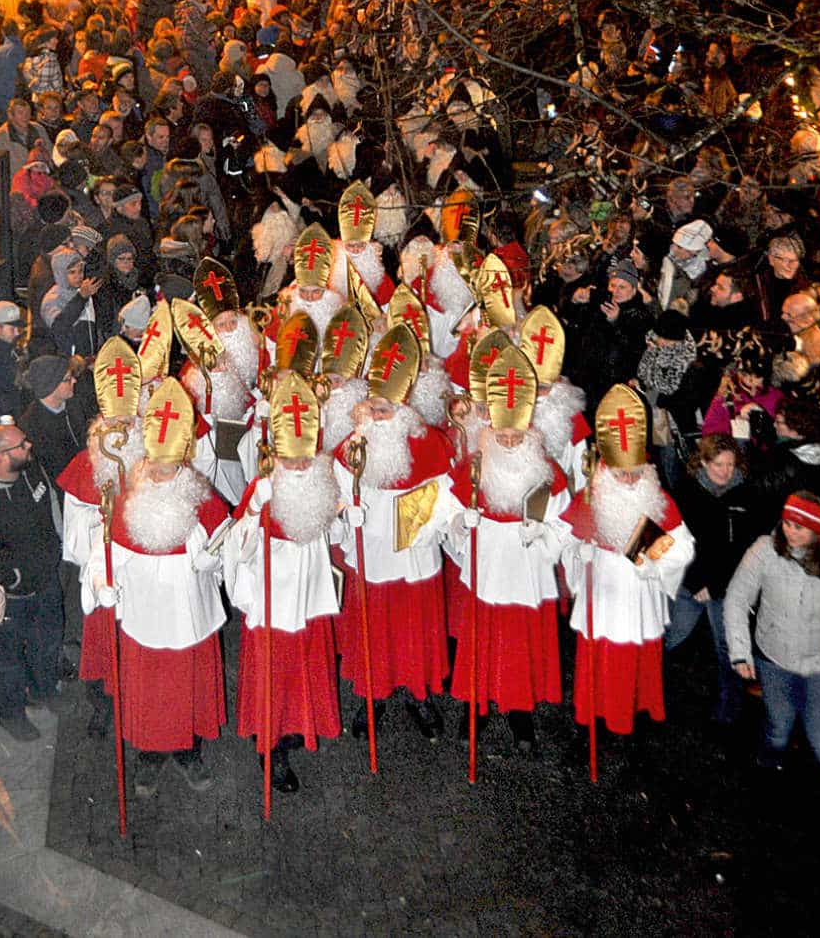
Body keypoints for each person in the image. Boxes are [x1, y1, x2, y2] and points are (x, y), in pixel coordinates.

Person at [80, 379, 229, 797]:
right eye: (156, 467)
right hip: (144, 614)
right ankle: (148, 756)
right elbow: (101, 553)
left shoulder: (200, 496)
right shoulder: (126, 497)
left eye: (170, 468)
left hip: (189, 613)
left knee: (186, 690)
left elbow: (229, 545)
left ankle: (188, 752)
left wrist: (208, 557)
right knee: (149, 693)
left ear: (183, 460)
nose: (162, 475)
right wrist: (102, 583)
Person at [725, 490, 820, 830]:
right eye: (786, 523)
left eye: (800, 526)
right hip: (775, 659)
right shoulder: (764, 552)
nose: (790, 532)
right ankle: (766, 772)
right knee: (778, 730)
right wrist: (740, 651)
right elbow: (737, 598)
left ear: (817, 529)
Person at [441, 346, 568, 755]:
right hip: (488, 566)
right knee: (481, 642)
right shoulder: (475, 465)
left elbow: (566, 522)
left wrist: (544, 531)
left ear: (530, 431)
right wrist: (463, 524)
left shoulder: (547, 469)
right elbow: (446, 513)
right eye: (503, 435)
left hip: (528, 571)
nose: (510, 442)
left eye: (517, 435)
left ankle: (520, 713)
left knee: (519, 647)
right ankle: (475, 708)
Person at [332, 326, 454, 742]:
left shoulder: (428, 442)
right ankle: (373, 695)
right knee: (374, 627)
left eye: (386, 410)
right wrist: (350, 512)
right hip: (373, 552)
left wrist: (427, 526)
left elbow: (447, 497)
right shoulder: (353, 444)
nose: (378, 417)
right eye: (374, 408)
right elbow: (336, 488)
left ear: (403, 407)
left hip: (414, 552)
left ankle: (419, 694)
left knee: (413, 626)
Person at [225, 372, 341, 794]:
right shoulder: (262, 486)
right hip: (272, 595)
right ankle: (270, 745)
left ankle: (297, 729)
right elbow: (237, 547)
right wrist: (254, 514)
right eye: (290, 459)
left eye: (304, 458)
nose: (298, 466)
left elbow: (333, 536)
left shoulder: (323, 479)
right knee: (274, 670)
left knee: (303, 667)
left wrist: (348, 520)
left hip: (307, 592)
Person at [560, 385, 694, 743]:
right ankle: (594, 722)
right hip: (601, 596)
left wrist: (653, 564)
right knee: (600, 660)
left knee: (633, 663)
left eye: (636, 472)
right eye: (622, 474)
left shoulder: (658, 498)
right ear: (605, 467)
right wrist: (577, 555)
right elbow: (563, 540)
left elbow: (683, 548)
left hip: (638, 596)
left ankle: (632, 721)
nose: (630, 480)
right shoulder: (589, 497)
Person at [0, 421, 64, 741]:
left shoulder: (31, 471)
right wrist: (11, 578)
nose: (29, 447)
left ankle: (43, 689)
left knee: (47, 640)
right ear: (1, 457)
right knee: (8, 658)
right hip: (12, 596)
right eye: (21, 445)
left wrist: (57, 548)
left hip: (45, 579)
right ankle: (11, 713)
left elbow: (51, 506)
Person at [663, 435, 759, 728]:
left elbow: (744, 548)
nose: (725, 471)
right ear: (704, 462)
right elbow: (674, 542)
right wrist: (695, 583)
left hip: (726, 587)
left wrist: (715, 586)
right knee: (669, 636)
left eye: (730, 464)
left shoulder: (745, 494)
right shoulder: (686, 492)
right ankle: (651, 692)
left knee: (727, 647)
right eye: (719, 464)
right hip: (690, 583)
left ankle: (728, 710)